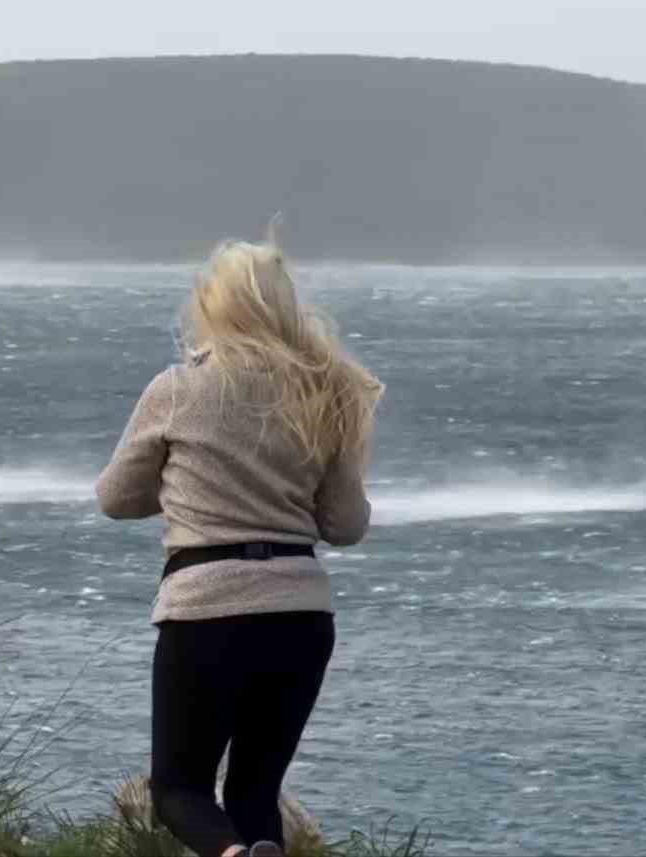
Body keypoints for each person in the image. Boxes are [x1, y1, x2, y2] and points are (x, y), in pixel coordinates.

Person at [96, 238, 383, 857]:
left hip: (206, 609)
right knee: (255, 793)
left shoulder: (178, 388)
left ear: (212, 307)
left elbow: (116, 498)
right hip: (301, 617)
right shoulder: (324, 392)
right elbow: (346, 525)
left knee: (179, 791)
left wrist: (190, 491)